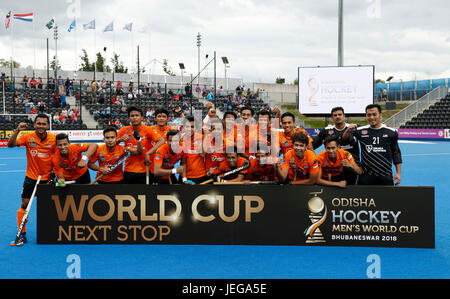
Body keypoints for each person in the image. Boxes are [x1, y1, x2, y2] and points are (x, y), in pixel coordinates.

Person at [7, 114, 56, 244]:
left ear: (48, 125)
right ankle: (22, 233)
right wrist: (17, 130)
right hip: (31, 178)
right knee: (24, 204)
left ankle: (51, 231)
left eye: (44, 124)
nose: (41, 126)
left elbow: (59, 157)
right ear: (34, 125)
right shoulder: (28, 137)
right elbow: (10, 144)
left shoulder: (53, 139)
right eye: (38, 123)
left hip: (48, 179)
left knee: (49, 206)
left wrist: (55, 173)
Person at [342, 104, 402, 186]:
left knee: (386, 198)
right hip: (366, 176)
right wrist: (348, 130)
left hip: (385, 176)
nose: (372, 117)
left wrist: (398, 173)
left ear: (380, 115)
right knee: (363, 198)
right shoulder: (360, 131)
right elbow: (345, 139)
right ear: (366, 116)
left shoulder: (391, 132)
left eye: (374, 114)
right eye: (369, 115)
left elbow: (396, 153)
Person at [312, 107, 360, 185]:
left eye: (340, 114)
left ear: (344, 116)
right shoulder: (326, 130)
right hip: (333, 167)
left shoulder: (354, 128)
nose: (337, 116)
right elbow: (312, 145)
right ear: (332, 118)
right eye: (335, 115)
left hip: (350, 165)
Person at [117, 106, 165, 184]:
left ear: (142, 117)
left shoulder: (148, 129)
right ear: (129, 118)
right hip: (129, 169)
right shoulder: (124, 130)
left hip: (145, 169)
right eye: (132, 116)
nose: (135, 118)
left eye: (137, 115)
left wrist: (148, 153)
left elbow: (161, 141)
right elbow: (112, 142)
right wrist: (120, 139)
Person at [181, 116, 207, 184]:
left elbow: (202, 154)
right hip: (184, 176)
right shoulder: (180, 140)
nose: (190, 129)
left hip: (200, 175)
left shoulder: (202, 138)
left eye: (192, 127)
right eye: (187, 127)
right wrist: (184, 179)